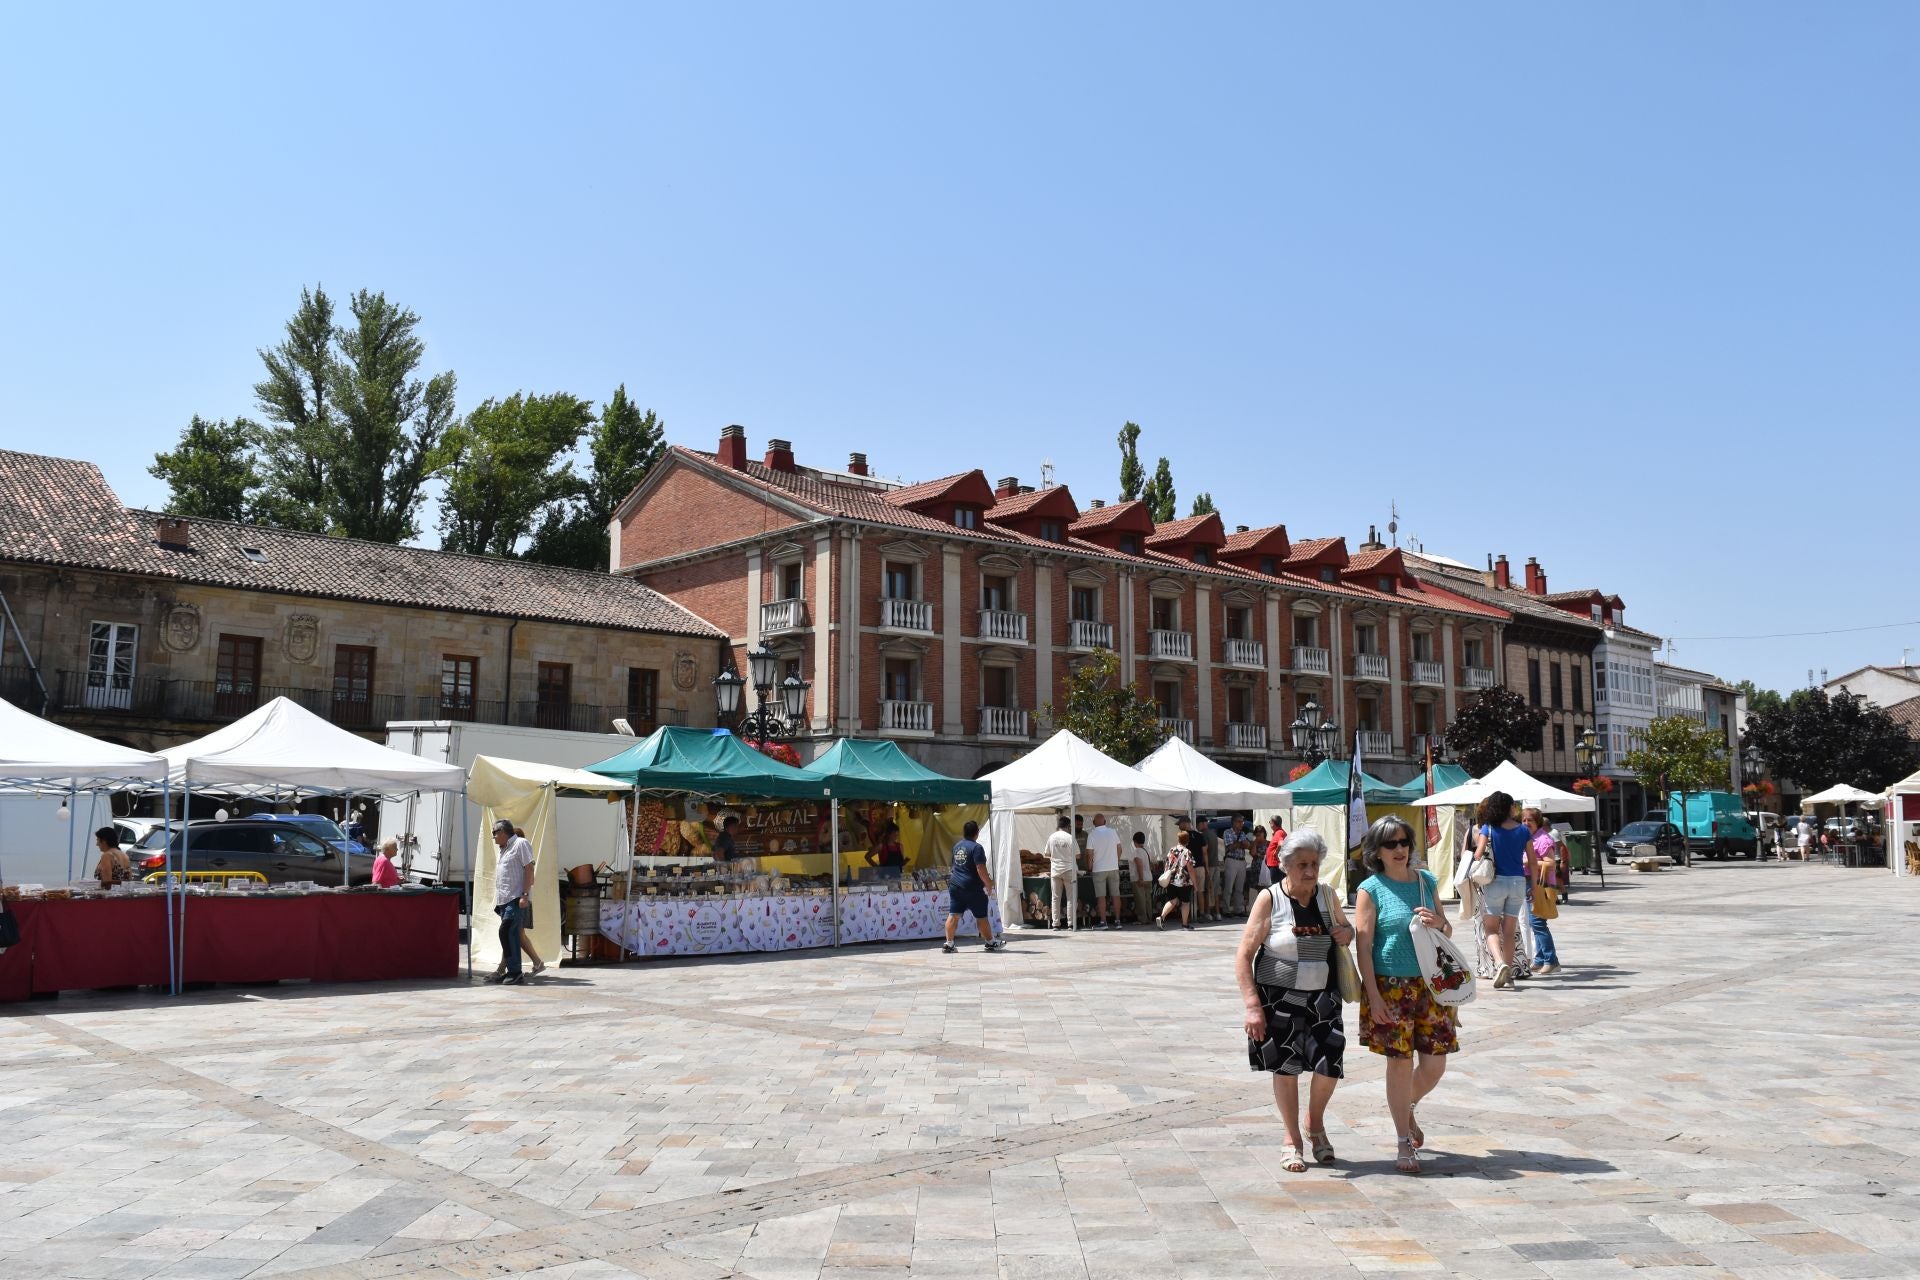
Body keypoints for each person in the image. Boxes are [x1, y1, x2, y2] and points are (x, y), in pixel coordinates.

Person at [1235, 829, 1352, 1171]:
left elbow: (1346, 929)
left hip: (1323, 998)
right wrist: (1252, 1006)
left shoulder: (1327, 896)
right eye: (1302, 864)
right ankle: (1292, 1139)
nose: (1310, 871)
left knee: (1330, 1064)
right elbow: (1243, 955)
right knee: (1286, 1068)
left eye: (1314, 863)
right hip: (1278, 997)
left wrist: (1349, 932)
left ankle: (1314, 1123)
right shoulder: (1270, 899)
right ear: (1286, 865)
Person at [1354, 815, 1457, 1175]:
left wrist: (1439, 923)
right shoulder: (1371, 888)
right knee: (1398, 1062)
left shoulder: (1426, 882)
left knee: (1434, 1065)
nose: (1400, 849)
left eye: (1404, 842)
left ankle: (1407, 1105)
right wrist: (1373, 995)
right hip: (1390, 986)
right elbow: (1363, 946)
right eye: (1391, 844)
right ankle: (1403, 1140)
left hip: (1432, 985)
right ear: (1376, 851)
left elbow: (1447, 930)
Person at [1470, 791, 1529, 988]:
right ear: (1509, 807)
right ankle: (1509, 974)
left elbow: (1478, 855)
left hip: (1496, 882)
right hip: (1518, 882)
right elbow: (1534, 863)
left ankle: (1500, 962)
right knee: (1510, 931)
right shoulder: (1523, 830)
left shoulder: (1489, 828)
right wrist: (1535, 887)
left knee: (1491, 929)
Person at [487, 819, 536, 985]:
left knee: (507, 932)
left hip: (515, 898)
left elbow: (529, 869)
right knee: (509, 935)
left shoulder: (520, 843)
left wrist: (524, 895)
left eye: (494, 833)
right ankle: (510, 970)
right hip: (505, 900)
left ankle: (515, 972)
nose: (493, 837)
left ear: (502, 832)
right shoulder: (504, 849)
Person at [944, 820, 1004, 952]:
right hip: (971, 887)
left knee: (953, 914)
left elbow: (954, 867)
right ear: (977, 833)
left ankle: (949, 944)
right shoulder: (977, 848)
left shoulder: (957, 846)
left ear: (964, 832)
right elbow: (980, 868)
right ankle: (990, 942)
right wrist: (988, 884)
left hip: (955, 885)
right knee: (981, 916)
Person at [1521, 808, 1561, 974]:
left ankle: (1551, 961)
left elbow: (1551, 862)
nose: (1526, 823)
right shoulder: (1529, 838)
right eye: (1523, 820)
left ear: (1537, 822)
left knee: (1538, 923)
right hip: (1531, 883)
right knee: (1534, 922)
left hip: (1540, 884)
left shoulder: (1543, 839)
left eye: (1530, 820)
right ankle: (1540, 959)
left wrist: (1529, 861)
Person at [1157, 822, 1198, 930]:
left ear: (1178, 839)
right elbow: (1190, 868)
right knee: (1185, 902)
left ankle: (1162, 917)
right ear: (1187, 840)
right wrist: (1195, 883)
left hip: (1171, 880)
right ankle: (1185, 924)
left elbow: (1166, 865)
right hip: (1183, 881)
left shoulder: (1171, 850)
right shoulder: (1187, 852)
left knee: (1173, 900)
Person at [1086, 813, 1123, 929]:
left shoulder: (1092, 835)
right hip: (1113, 867)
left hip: (1099, 868)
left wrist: (1089, 867)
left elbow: (1089, 855)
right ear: (1105, 821)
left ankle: (1103, 922)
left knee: (1101, 896)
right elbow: (1119, 848)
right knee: (1116, 895)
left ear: (1093, 823)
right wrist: (1115, 860)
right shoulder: (1113, 832)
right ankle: (1117, 921)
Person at [1045, 816, 1080, 931]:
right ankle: (1070, 924)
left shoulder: (1052, 837)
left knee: (1055, 898)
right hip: (1069, 869)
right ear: (1068, 826)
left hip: (1055, 871)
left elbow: (1046, 854)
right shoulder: (1070, 837)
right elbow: (1078, 855)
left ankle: (1056, 924)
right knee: (1071, 897)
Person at [1221, 815, 1252, 915]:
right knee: (1229, 887)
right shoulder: (1227, 832)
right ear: (1234, 822)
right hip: (1231, 860)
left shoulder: (1242, 833)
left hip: (1242, 861)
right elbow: (1230, 847)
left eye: (1242, 822)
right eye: (1239, 821)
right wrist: (1240, 844)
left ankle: (1238, 909)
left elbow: (1248, 845)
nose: (1241, 824)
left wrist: (1238, 844)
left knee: (1240, 888)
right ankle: (1226, 910)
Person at [1128, 830, 1156, 927]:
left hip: (1139, 878)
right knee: (1148, 899)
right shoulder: (1147, 850)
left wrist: (1140, 878)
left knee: (1140, 900)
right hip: (1148, 877)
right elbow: (1153, 864)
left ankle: (1142, 919)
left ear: (1135, 841)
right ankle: (1149, 917)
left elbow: (1139, 865)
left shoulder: (1136, 851)